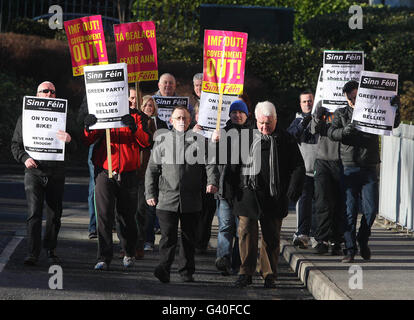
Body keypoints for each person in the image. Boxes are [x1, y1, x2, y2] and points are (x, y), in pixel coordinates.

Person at [230, 101, 305, 288]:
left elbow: (298, 166)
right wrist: (230, 190)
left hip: (274, 195)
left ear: (276, 120)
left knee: (271, 237)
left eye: (268, 124)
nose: (264, 127)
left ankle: (269, 274)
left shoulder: (286, 139)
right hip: (247, 194)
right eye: (261, 123)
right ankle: (245, 272)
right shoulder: (244, 137)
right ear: (255, 120)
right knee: (246, 234)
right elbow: (232, 165)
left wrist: (292, 189)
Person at [328, 80, 401, 263]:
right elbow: (332, 133)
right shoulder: (341, 113)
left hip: (369, 165)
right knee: (350, 211)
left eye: (356, 96)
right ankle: (350, 249)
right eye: (350, 97)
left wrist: (394, 108)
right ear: (346, 97)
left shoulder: (373, 110)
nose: (353, 100)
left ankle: (362, 238)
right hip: (349, 166)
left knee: (370, 211)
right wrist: (346, 130)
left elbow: (393, 123)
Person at [145, 106, 219, 283]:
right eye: (178, 118)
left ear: (190, 120)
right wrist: (150, 192)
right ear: (171, 120)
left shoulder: (199, 141)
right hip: (166, 199)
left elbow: (210, 163)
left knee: (188, 238)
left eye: (184, 118)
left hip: (191, 199)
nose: (181, 121)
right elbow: (152, 170)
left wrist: (211, 181)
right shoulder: (162, 141)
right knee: (167, 237)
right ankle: (164, 269)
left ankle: (186, 272)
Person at [11, 81, 76, 265]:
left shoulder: (64, 117)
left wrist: (69, 140)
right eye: (45, 91)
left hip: (56, 171)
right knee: (34, 213)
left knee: (55, 214)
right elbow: (15, 145)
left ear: (55, 95)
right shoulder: (25, 116)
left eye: (52, 91)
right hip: (34, 172)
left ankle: (51, 249)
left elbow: (75, 147)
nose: (49, 94)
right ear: (37, 94)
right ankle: (32, 253)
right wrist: (24, 158)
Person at [83, 99, 150, 270]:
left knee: (127, 216)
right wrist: (88, 127)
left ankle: (128, 252)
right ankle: (103, 257)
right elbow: (89, 140)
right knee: (104, 215)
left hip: (128, 173)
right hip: (105, 171)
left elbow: (146, 142)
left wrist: (134, 128)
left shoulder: (137, 116)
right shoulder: (101, 113)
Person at [211, 100, 253, 275]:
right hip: (225, 190)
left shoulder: (253, 134)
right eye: (234, 112)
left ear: (246, 114)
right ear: (229, 115)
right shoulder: (222, 133)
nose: (237, 115)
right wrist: (214, 142)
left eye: (240, 112)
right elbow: (213, 160)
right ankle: (224, 258)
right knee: (225, 227)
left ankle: (237, 263)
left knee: (240, 230)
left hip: (244, 192)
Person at [310, 101, 345, 255]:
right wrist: (318, 115)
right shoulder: (323, 105)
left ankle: (337, 240)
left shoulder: (350, 108)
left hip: (344, 160)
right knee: (322, 201)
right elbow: (313, 129)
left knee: (340, 203)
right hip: (323, 160)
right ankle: (322, 239)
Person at [287, 91, 318, 249]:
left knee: (319, 204)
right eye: (305, 101)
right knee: (304, 202)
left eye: (310, 101)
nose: (308, 104)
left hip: (320, 170)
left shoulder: (322, 118)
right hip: (305, 170)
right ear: (300, 104)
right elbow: (291, 135)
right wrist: (303, 123)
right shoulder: (297, 120)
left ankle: (317, 235)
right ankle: (302, 233)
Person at [138, 95, 168, 252]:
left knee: (151, 207)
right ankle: (139, 239)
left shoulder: (161, 124)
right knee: (139, 207)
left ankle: (149, 239)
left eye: (151, 105)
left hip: (156, 168)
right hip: (139, 168)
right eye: (145, 105)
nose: (148, 108)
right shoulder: (137, 122)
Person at [191, 104, 217, 254]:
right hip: (194, 178)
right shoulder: (190, 131)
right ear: (195, 117)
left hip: (212, 177)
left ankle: (202, 243)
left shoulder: (219, 131)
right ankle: (193, 241)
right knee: (194, 212)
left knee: (208, 212)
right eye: (200, 114)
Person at [77, 95, 97, 240]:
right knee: (95, 186)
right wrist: (87, 120)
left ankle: (111, 223)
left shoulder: (120, 91)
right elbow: (80, 119)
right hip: (95, 143)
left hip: (117, 142)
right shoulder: (90, 94)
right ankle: (94, 226)